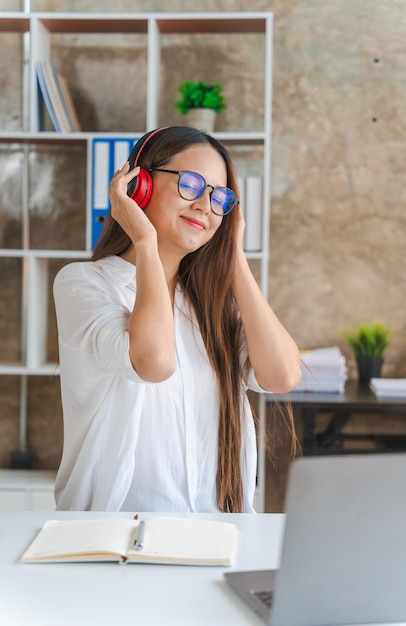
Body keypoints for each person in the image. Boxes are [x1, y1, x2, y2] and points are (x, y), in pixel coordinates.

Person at [53, 125, 301, 513]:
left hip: (215, 534)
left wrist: (234, 254)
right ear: (141, 187)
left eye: (219, 197)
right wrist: (145, 241)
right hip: (113, 537)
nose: (205, 204)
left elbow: (282, 376)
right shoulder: (84, 284)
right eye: (191, 184)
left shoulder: (212, 303)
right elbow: (153, 362)